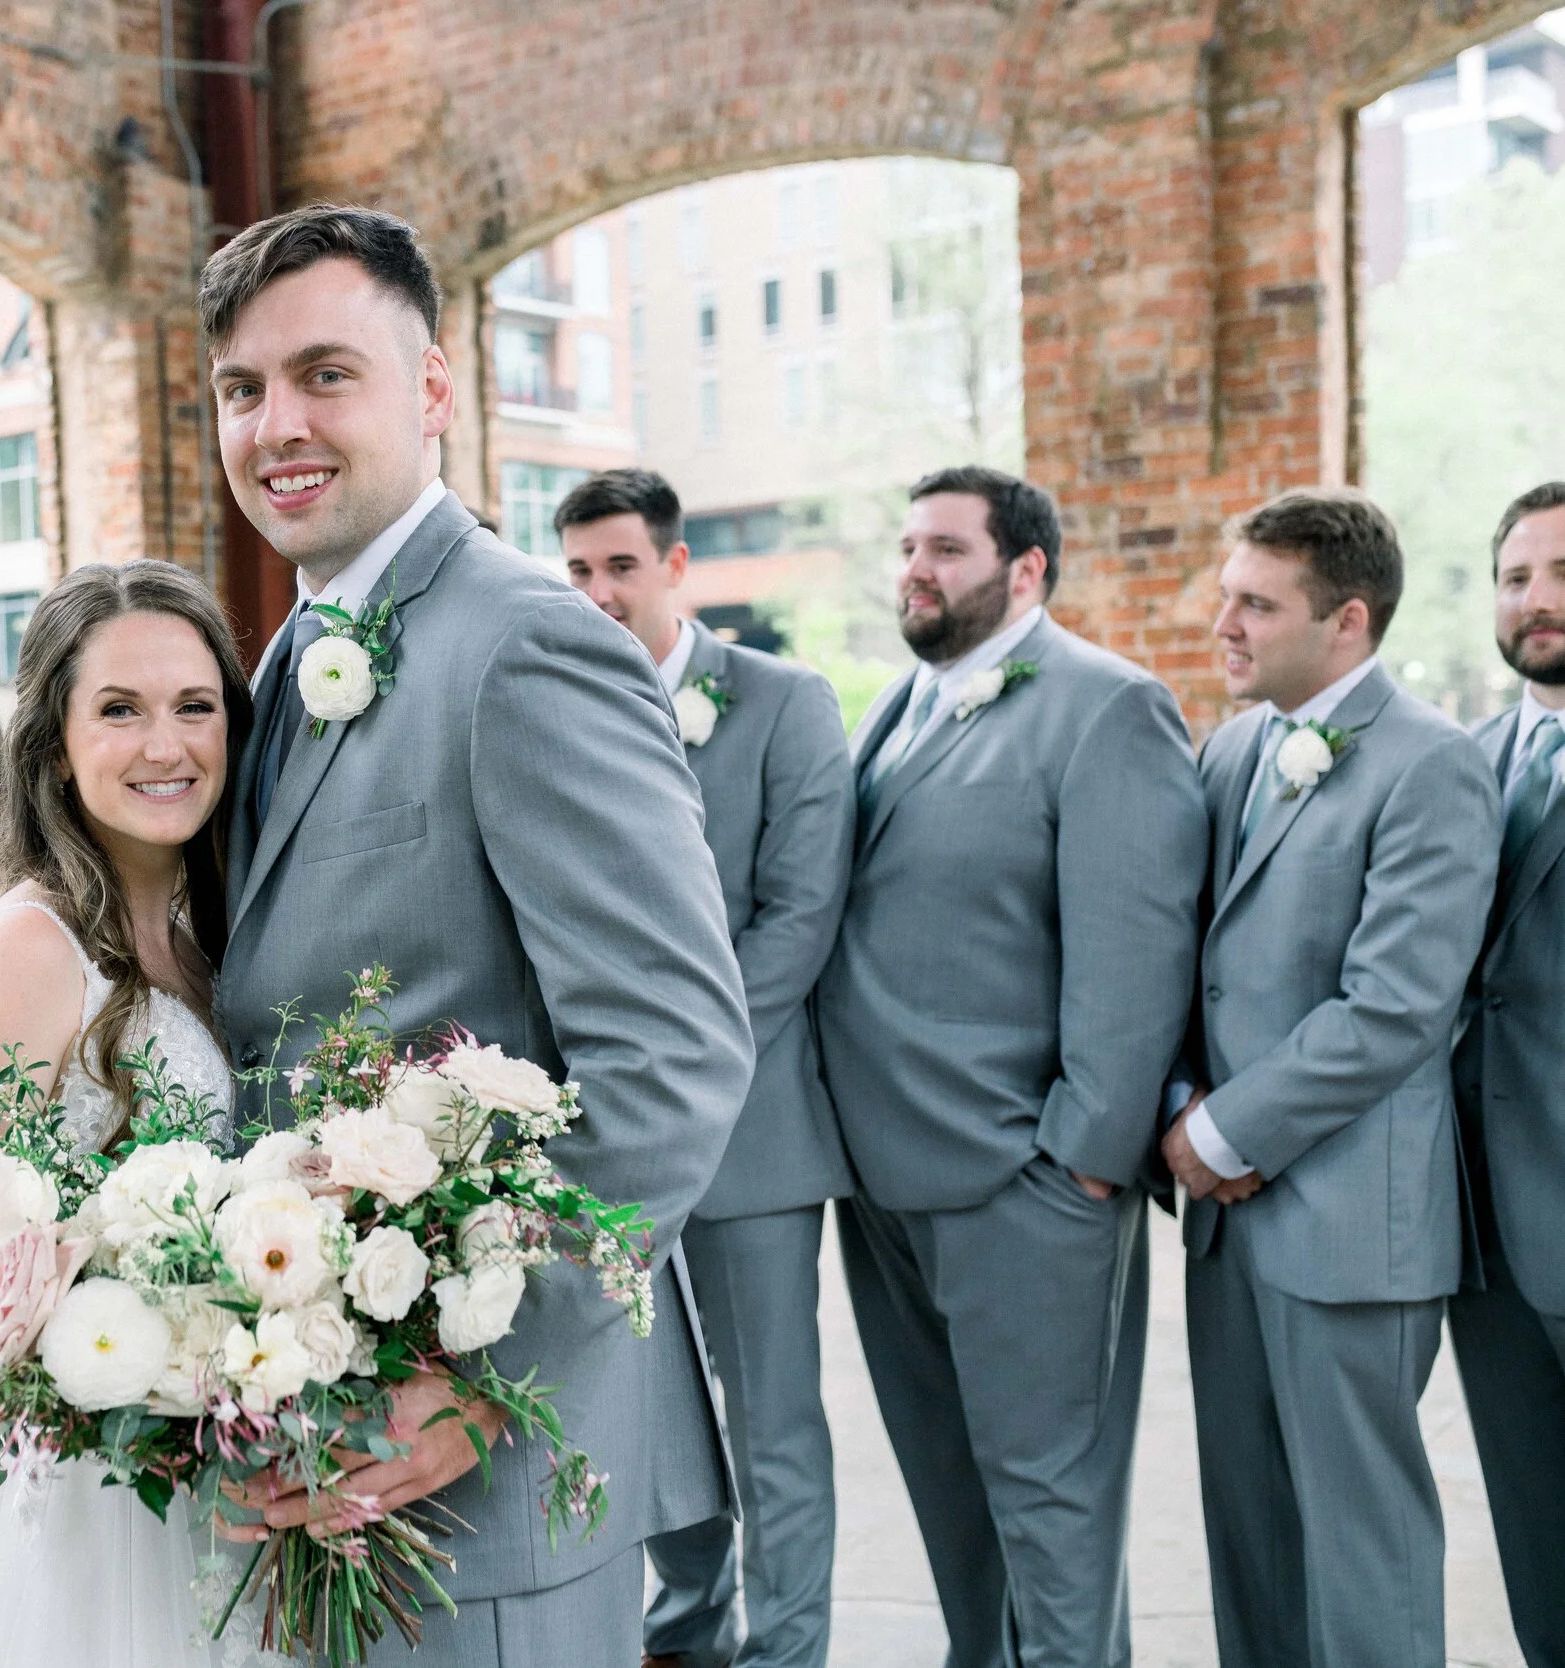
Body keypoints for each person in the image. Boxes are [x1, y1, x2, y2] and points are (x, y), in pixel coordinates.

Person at [203, 205, 754, 1667]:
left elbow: (674, 1059)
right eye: (241, 391)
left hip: (487, 1476)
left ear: (433, 391)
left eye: (328, 374)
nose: (277, 426)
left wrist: (477, 1372)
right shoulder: (277, 656)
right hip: (313, 1449)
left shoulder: (528, 643)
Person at [816, 466, 1203, 1668]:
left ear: (1024, 568)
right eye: (907, 548)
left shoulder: (1106, 707)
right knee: (948, 1493)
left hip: (1023, 1186)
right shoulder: (897, 705)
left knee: (1050, 1503)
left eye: (945, 550)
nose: (915, 572)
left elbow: (1134, 950)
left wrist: (1085, 1159)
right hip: (880, 1184)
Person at [0, 559, 257, 1666]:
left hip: (221, 1460)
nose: (165, 746)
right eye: (119, 710)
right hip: (89, 1493)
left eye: (195, 707)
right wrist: (113, 1350)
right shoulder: (25, 950)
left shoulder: (206, 935)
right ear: (52, 743)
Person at [1163, 488, 1496, 1668]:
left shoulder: (1434, 767)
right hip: (1224, 1221)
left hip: (1355, 1219)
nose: (1225, 627)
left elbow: (1397, 1005)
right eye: (1225, 598)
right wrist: (1177, 1114)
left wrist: (1229, 1132)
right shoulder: (1234, 749)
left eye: (1257, 603)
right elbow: (1184, 968)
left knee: (1362, 1542)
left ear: (1346, 621)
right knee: (1247, 1527)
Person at [552, 473, 853, 1668]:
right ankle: (683, 1636)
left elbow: (799, 916)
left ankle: (785, 1651)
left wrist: (679, 1060)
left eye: (619, 567)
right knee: (653, 1413)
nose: (597, 593)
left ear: (676, 568)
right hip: (602, 1138)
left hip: (751, 1137)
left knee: (771, 1422)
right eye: (575, 571)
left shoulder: (782, 703)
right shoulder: (562, 704)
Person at [1452, 481, 1565, 1668]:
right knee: (1535, 1541)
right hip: (1483, 1231)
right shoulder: (1466, 759)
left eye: (1561, 573)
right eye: (1517, 576)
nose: (1538, 600)